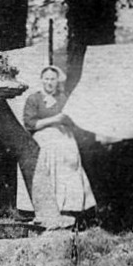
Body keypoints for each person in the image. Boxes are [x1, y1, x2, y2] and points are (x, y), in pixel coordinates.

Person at [17, 65, 96, 222]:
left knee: (67, 171)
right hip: (43, 140)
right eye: (46, 79)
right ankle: (40, 210)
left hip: (64, 139)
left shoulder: (63, 98)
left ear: (57, 81)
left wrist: (66, 120)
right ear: (41, 80)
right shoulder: (34, 98)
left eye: (52, 79)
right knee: (43, 171)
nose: (49, 82)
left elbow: (72, 119)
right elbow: (30, 124)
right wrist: (54, 119)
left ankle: (68, 209)